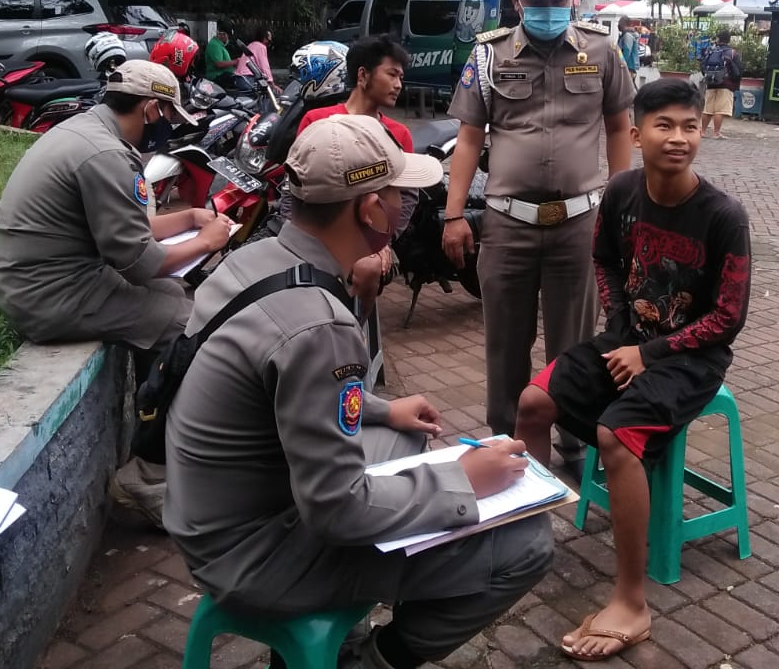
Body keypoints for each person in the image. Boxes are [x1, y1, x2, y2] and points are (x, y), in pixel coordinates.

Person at [163, 115, 553, 669]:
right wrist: (462, 482)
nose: (403, 208)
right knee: (527, 542)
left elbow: (274, 384)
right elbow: (337, 509)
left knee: (405, 443)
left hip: (211, 515)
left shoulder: (257, 259)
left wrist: (380, 408)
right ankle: (373, 660)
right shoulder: (322, 324)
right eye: (397, 194)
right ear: (369, 209)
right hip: (255, 554)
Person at [516, 78, 752, 661]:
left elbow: (728, 318)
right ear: (635, 133)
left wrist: (649, 354)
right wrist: (623, 326)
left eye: (690, 126)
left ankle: (632, 601)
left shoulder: (723, 215)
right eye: (664, 126)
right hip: (628, 341)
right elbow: (604, 260)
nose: (678, 138)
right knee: (531, 404)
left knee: (615, 436)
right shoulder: (621, 192)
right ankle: (525, 541)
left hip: (691, 361)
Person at [0, 60, 235, 523]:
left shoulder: (87, 133)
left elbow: (125, 229)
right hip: (51, 295)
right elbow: (141, 263)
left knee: (181, 299)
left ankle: (152, 434)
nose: (165, 129)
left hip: (48, 279)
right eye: (167, 117)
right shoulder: (104, 154)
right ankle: (148, 478)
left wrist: (188, 220)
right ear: (149, 109)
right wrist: (209, 241)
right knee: (188, 328)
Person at [441, 0, 636, 473]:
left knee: (575, 344)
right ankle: (506, 443)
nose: (549, 6)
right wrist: (454, 213)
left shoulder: (602, 51)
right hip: (507, 225)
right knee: (506, 343)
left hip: (580, 225)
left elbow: (620, 126)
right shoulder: (489, 55)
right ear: (517, 0)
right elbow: (468, 138)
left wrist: (621, 205)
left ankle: (573, 443)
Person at [286, 36, 415, 312]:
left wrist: (384, 240)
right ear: (363, 75)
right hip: (319, 228)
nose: (398, 85)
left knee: (367, 267)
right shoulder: (317, 121)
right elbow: (296, 184)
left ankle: (356, 332)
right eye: (392, 74)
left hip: (371, 236)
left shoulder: (399, 134)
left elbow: (408, 197)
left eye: (401, 77)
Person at [699, 29, 742, 138]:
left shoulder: (711, 51)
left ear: (718, 39)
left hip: (711, 83)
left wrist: (709, 76)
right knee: (720, 110)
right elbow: (738, 71)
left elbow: (703, 66)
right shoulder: (732, 53)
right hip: (725, 84)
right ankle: (716, 133)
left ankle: (702, 132)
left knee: (708, 109)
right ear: (729, 40)